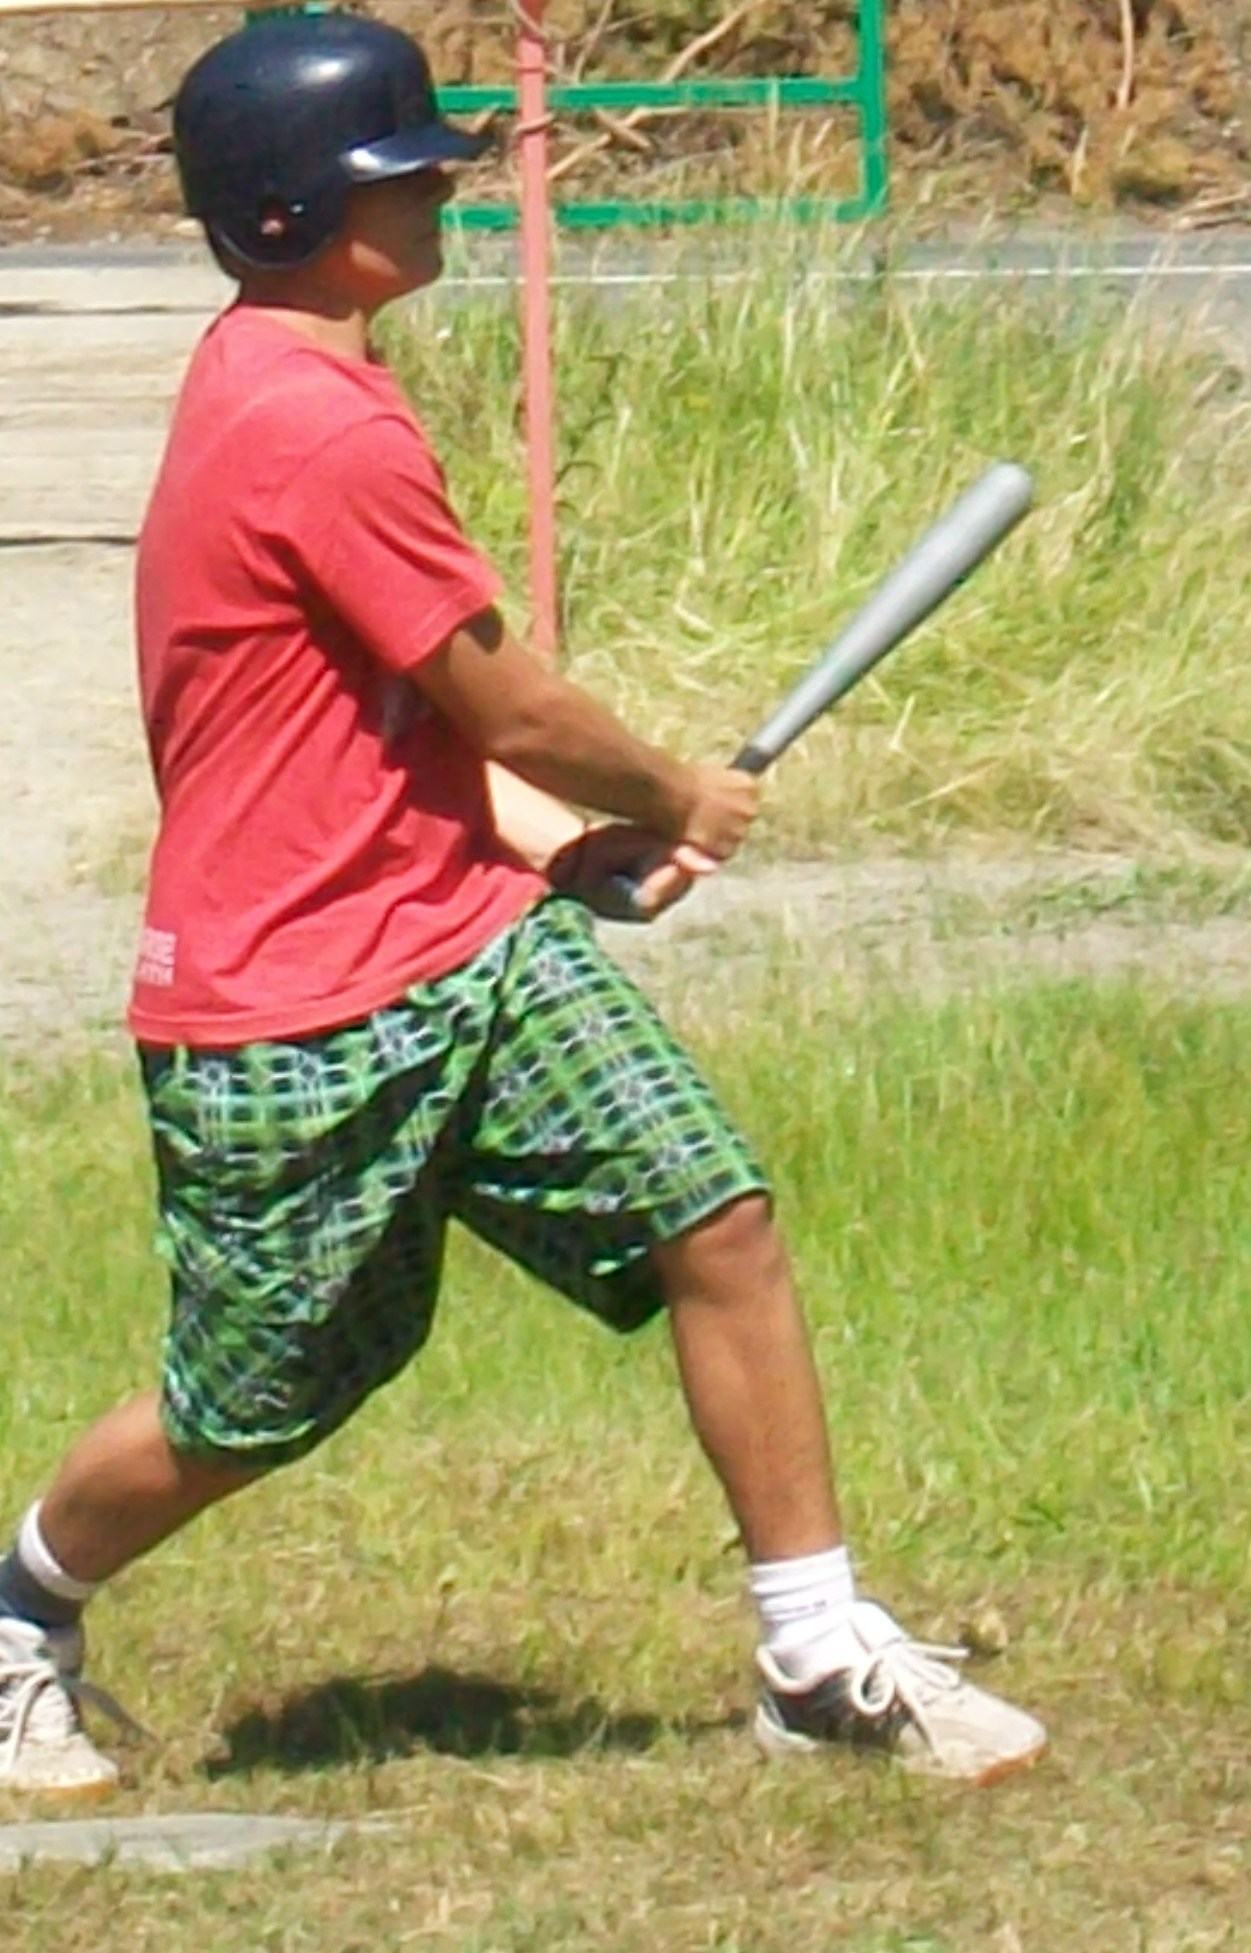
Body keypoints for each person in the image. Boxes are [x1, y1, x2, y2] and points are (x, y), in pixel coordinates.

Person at [0, 10, 1045, 1797]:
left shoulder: (312, 383)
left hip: (465, 945)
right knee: (254, 1400)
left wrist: (556, 855)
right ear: (287, 218)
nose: (442, 195)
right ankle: (20, 1611)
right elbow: (511, 705)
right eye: (402, 175)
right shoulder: (306, 424)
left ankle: (816, 1650)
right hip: (288, 997)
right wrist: (671, 795)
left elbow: (388, 720)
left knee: (714, 1215)